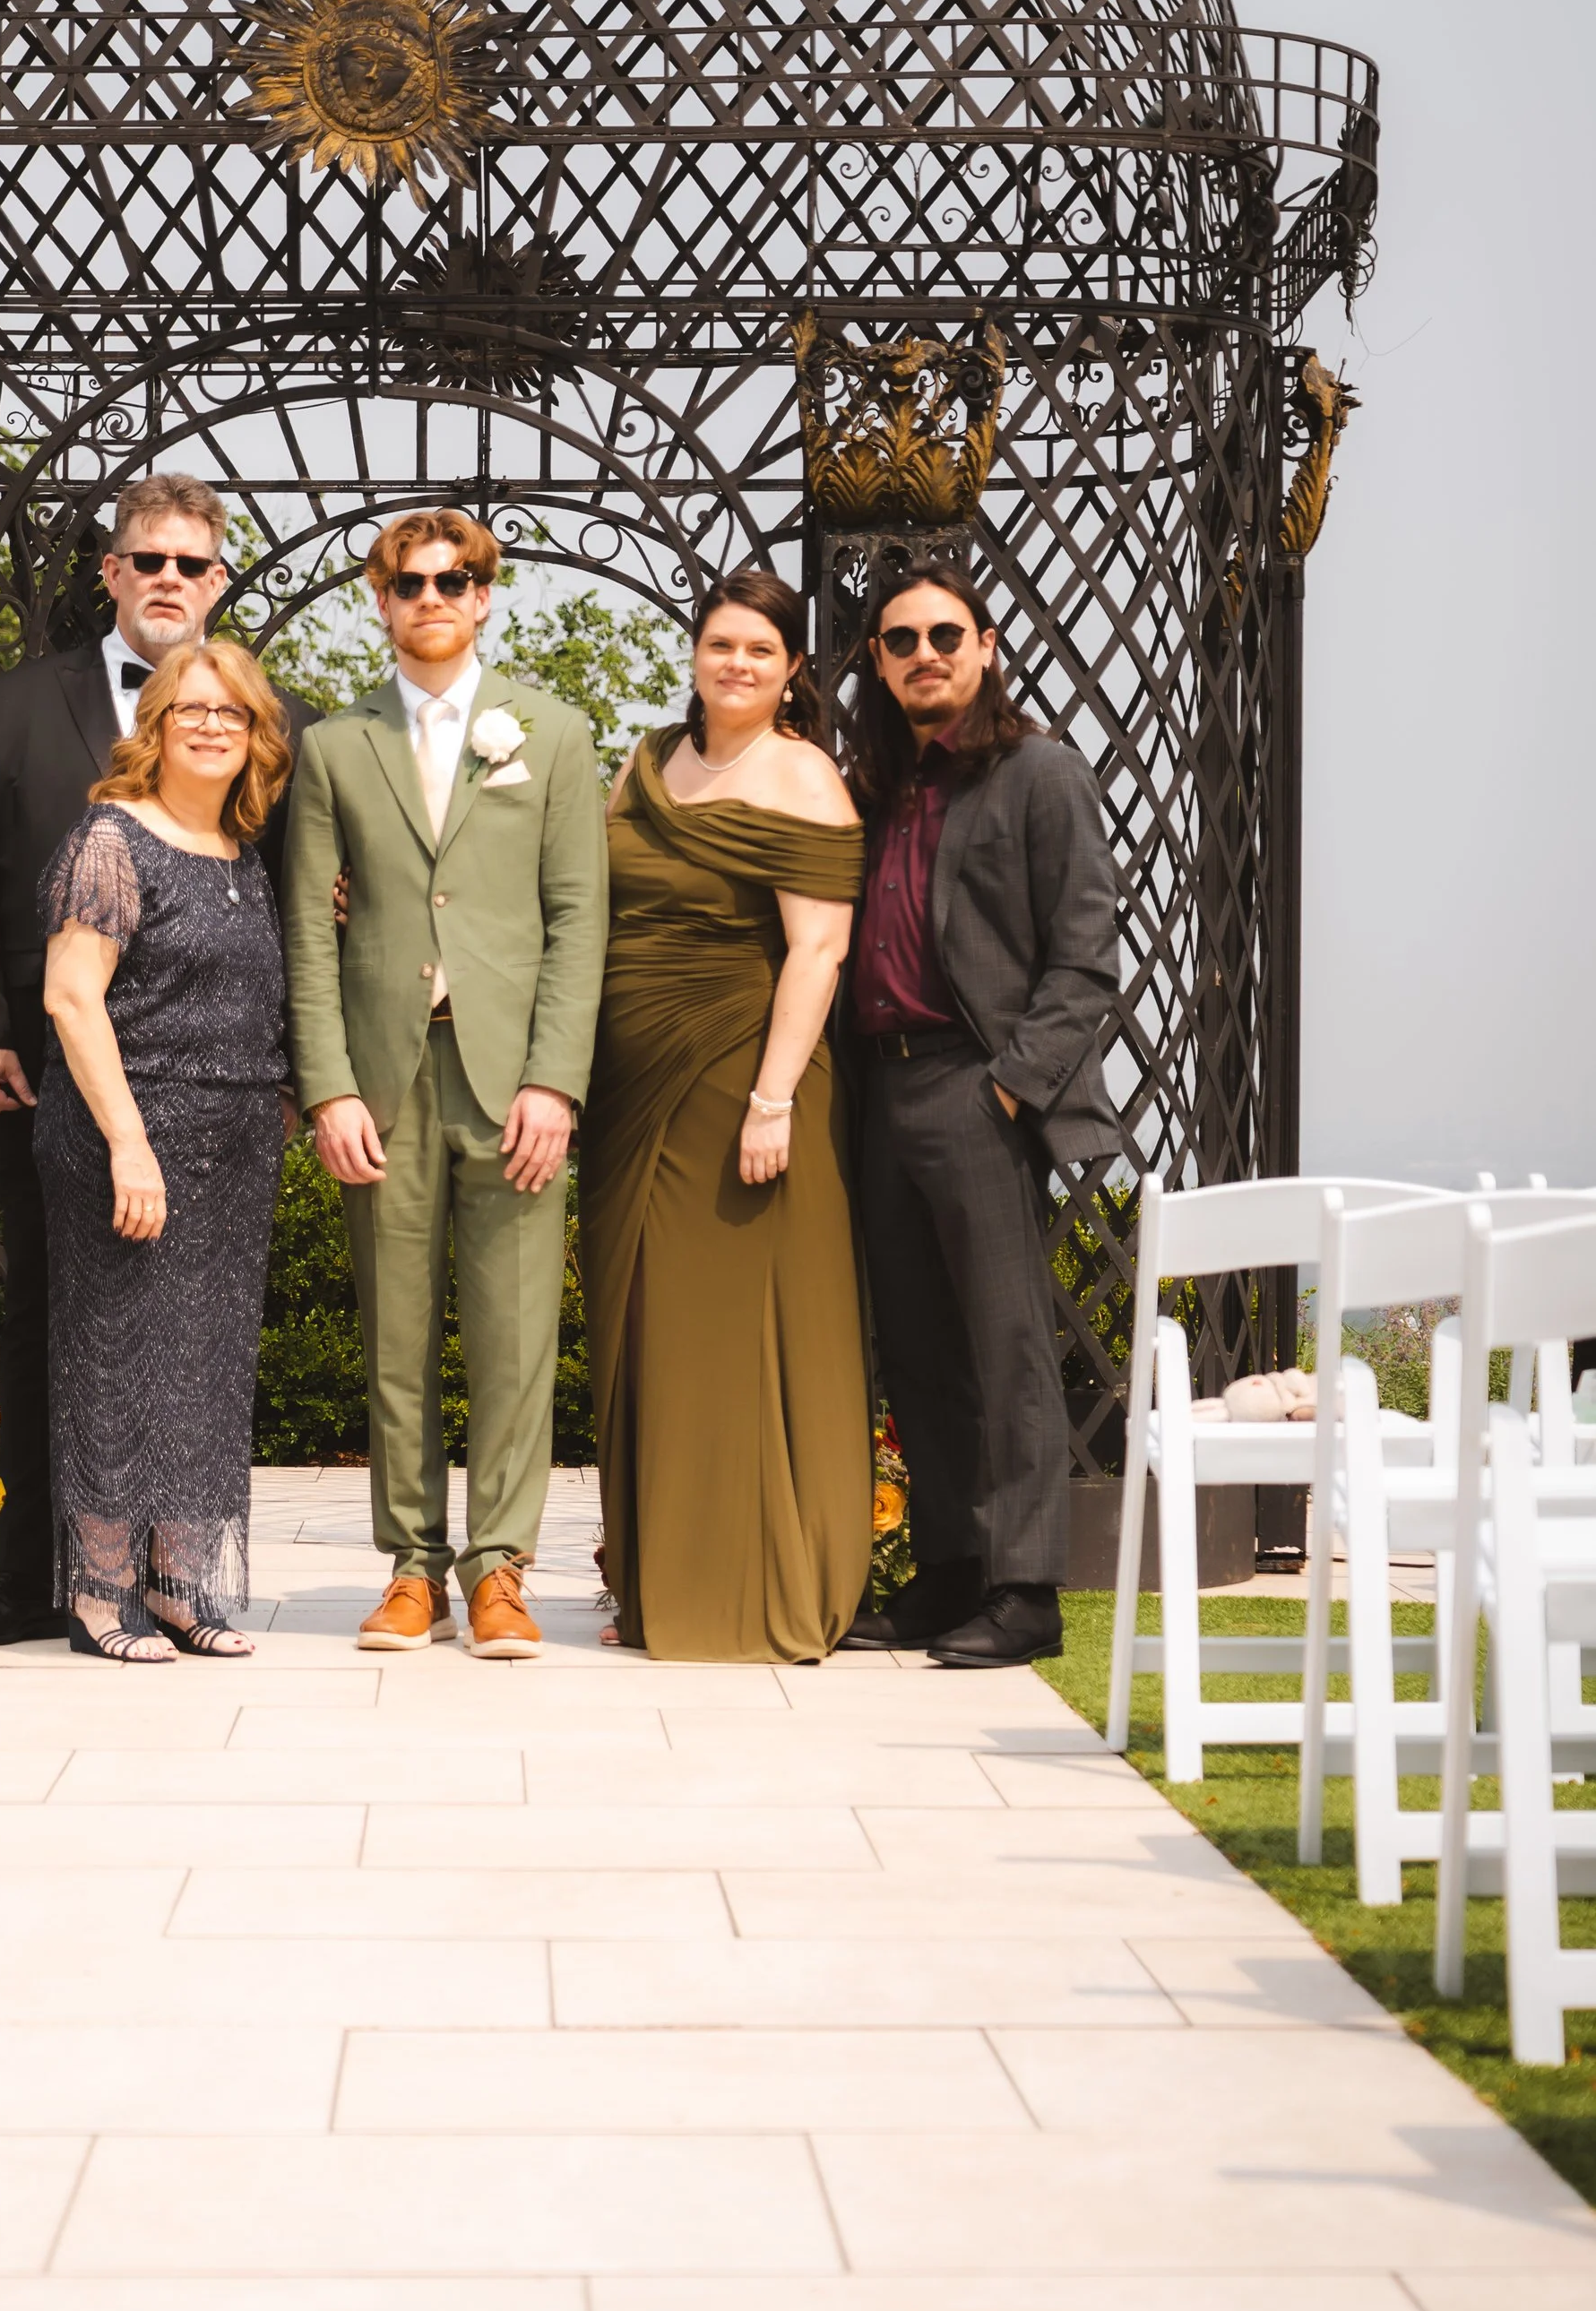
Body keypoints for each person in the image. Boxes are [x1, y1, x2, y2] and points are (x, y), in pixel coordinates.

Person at [0, 472, 315, 1649]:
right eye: (146, 558)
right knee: (66, 1324)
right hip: (59, 1074)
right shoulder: (13, 705)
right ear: (111, 572)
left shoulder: (273, 727)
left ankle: (167, 1579)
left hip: (228, 1098)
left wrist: (301, 1070)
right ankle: (38, 1582)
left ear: (220, 580)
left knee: (190, 1339)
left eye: (190, 563)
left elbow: (298, 914)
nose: (167, 579)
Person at [281, 509, 608, 1660]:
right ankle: (412, 1568)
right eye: (408, 581)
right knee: (393, 1333)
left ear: (484, 597)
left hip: (510, 1073)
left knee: (517, 1336)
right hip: (384, 1076)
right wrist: (327, 1088)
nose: (432, 596)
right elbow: (308, 937)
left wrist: (556, 1083)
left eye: (454, 580)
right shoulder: (331, 746)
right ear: (380, 599)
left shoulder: (554, 735)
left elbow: (578, 919)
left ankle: (500, 1570)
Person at [841, 554, 1126, 1668]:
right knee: (915, 1349)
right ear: (877, 659)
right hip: (879, 1090)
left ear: (985, 647)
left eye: (943, 637)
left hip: (976, 1084)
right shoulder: (872, 782)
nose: (924, 656)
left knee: (1004, 1348)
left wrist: (1009, 1083)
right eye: (901, 641)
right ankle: (951, 1571)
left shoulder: (1037, 773)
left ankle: (1027, 1593)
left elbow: (1086, 958)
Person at [582, 570, 869, 1663]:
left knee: (733, 1336)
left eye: (759, 649)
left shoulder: (803, 776)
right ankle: (651, 1584)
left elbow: (819, 947)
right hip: (626, 1091)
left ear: (791, 668)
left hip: (740, 1079)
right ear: (694, 654)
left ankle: (747, 1589)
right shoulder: (645, 763)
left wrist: (771, 1098)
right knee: (639, 1330)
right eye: (720, 645)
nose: (736, 664)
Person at [34, 638, 294, 1659]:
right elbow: (70, 996)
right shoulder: (112, 838)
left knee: (202, 1361)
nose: (209, 725)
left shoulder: (244, 855)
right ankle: (100, 1592)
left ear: (254, 734)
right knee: (115, 1356)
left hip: (231, 1149)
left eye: (230, 713)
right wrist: (128, 1145)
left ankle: (179, 1583)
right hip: (126, 1137)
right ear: (155, 724)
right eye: (189, 708)